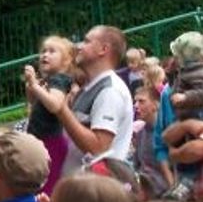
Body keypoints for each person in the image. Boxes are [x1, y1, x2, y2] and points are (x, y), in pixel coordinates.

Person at [41, 25, 134, 173]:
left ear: (103, 49)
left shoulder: (110, 90)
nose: (78, 46)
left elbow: (98, 148)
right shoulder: (89, 87)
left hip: (97, 185)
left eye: (86, 41)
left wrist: (61, 109)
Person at [22, 34, 77, 195]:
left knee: (47, 189)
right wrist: (31, 87)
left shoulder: (60, 80)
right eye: (43, 51)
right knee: (39, 186)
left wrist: (35, 86)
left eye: (52, 51)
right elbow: (33, 103)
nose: (45, 55)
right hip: (41, 140)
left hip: (51, 142)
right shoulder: (49, 80)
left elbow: (55, 105)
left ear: (65, 61)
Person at [160, 31, 203, 201]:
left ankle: (187, 183)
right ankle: (183, 183)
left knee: (193, 153)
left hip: (197, 115)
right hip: (185, 117)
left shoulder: (199, 72)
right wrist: (171, 73)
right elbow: (165, 138)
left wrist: (186, 97)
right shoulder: (184, 72)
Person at [134, 83, 174, 196]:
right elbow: (137, 165)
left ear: (156, 105)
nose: (136, 105)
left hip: (165, 194)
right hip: (144, 191)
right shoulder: (141, 133)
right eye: (135, 102)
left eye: (141, 101)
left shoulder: (169, 133)